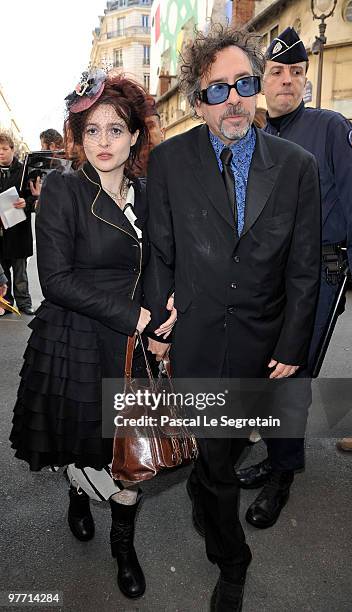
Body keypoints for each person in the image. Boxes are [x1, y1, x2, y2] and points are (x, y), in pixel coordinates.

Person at [144, 25, 321, 611]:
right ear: (198, 101)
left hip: (262, 344)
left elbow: (303, 268)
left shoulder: (297, 166)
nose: (235, 99)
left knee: (225, 447)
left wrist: (294, 345)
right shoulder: (169, 162)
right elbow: (160, 252)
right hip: (193, 337)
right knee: (219, 459)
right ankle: (233, 560)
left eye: (244, 83)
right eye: (218, 90)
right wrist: (156, 327)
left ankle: (207, 490)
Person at [9, 70, 170, 600]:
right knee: (84, 443)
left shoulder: (149, 194)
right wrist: (136, 318)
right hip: (77, 338)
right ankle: (79, 492)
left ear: (135, 136)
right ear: (77, 137)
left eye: (116, 129)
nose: (104, 142)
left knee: (130, 455)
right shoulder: (62, 190)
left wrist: (167, 306)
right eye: (93, 130)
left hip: (136, 345)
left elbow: (163, 261)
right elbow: (55, 281)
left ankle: (123, 548)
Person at [235, 27, 352, 528]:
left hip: (321, 274)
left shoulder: (330, 128)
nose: (287, 81)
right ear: (263, 80)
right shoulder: (258, 137)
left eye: (296, 73)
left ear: (305, 79)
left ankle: (283, 471)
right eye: (277, 72)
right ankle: (275, 452)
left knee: (292, 375)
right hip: (267, 276)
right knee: (266, 369)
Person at [0, 132, 35, 316]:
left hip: (18, 229)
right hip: (1, 231)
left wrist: (26, 203)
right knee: (3, 271)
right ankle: (6, 304)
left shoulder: (24, 171)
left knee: (20, 272)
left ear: (13, 150)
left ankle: (24, 303)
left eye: (5, 149)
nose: (1, 153)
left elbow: (34, 197)